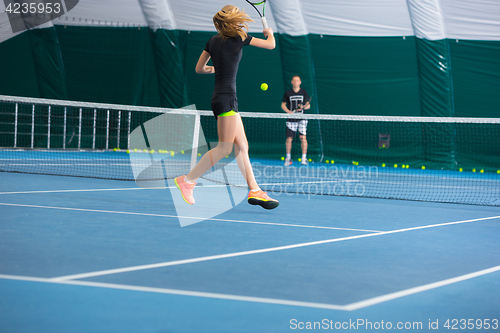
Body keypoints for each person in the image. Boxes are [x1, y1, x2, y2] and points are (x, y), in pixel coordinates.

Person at [174, 5, 279, 210]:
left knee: (242, 146)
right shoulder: (240, 37)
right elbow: (271, 45)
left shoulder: (212, 41)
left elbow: (199, 69)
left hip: (221, 98)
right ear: (233, 20)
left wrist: (216, 68)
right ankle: (187, 180)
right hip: (227, 99)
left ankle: (255, 189)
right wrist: (269, 33)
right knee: (224, 148)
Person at [281, 75, 311, 166]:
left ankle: (304, 158)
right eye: (294, 80)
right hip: (291, 119)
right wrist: (288, 112)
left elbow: (308, 105)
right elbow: (283, 105)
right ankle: (288, 158)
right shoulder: (288, 93)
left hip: (302, 119)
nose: (296, 82)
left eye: (297, 80)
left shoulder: (304, 92)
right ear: (292, 82)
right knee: (289, 138)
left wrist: (303, 107)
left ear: (300, 82)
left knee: (303, 138)